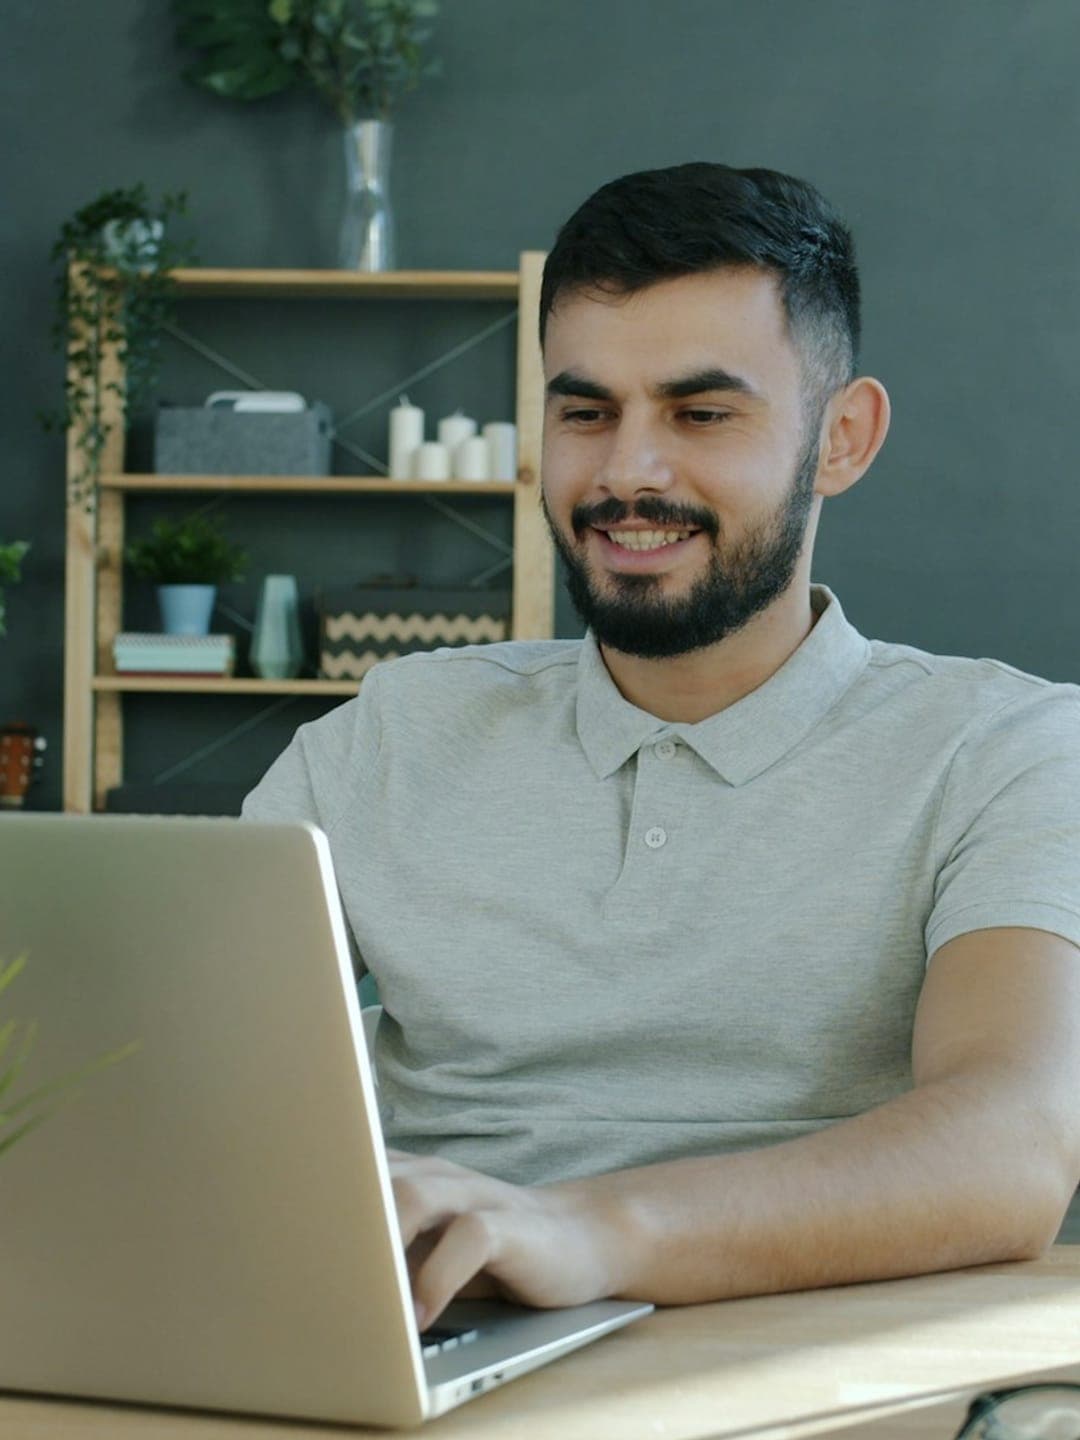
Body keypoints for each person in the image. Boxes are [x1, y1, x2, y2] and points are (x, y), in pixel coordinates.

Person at [243, 162, 1080, 1329]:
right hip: (422, 1357)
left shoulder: (1013, 749)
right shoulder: (391, 731)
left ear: (841, 439)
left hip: (801, 1376)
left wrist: (585, 1231)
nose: (628, 471)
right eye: (586, 411)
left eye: (701, 413)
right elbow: (175, 1075)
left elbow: (1013, 1145)